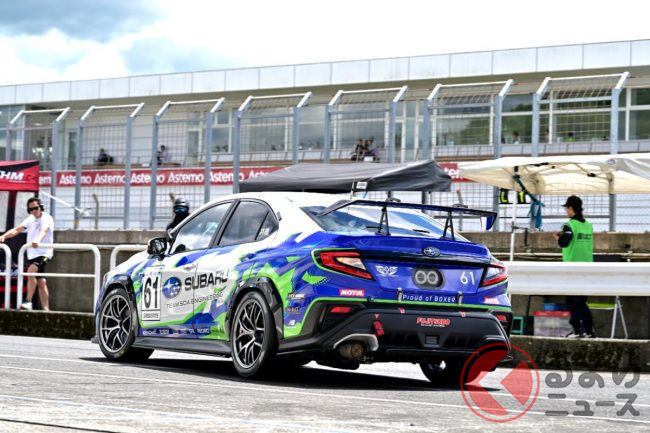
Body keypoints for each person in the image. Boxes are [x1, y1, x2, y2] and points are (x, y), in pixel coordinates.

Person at [0, 197, 54, 311]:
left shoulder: (47, 218)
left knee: (30, 271)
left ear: (41, 207)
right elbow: (17, 230)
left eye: (36, 208)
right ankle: (46, 309)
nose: (34, 211)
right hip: (32, 254)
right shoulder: (30, 219)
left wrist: (38, 240)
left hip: (44, 253)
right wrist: (4, 236)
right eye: (31, 209)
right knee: (41, 282)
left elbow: (44, 230)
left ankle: (28, 301)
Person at [553, 195, 596, 338]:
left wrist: (558, 237)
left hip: (572, 267)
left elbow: (564, 242)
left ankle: (577, 331)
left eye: (566, 208)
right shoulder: (588, 225)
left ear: (571, 208)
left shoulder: (569, 225)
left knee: (573, 301)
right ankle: (589, 330)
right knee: (582, 301)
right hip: (587, 268)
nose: (566, 211)